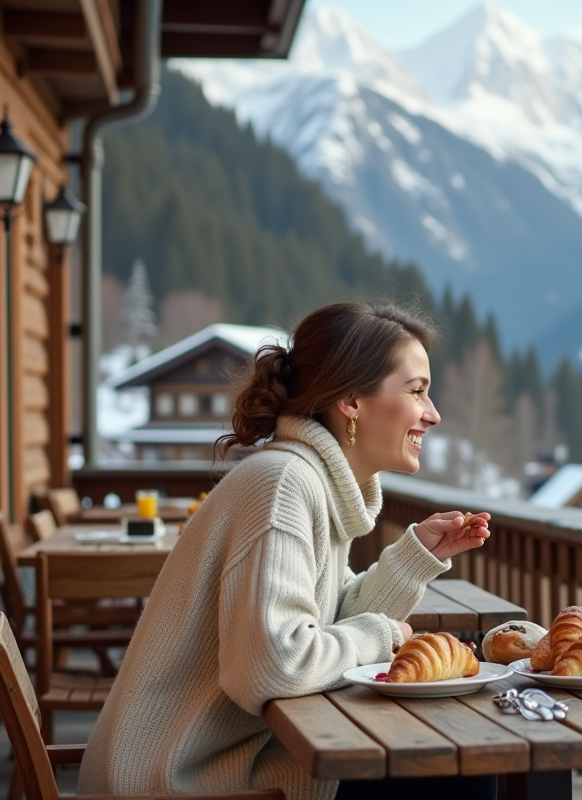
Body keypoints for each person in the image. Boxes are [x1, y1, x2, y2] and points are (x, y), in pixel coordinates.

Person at [79, 301, 496, 800]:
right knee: (460, 773)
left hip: (217, 762)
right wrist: (384, 635)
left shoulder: (308, 480)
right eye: (416, 391)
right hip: (180, 778)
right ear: (352, 402)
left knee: (457, 767)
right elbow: (275, 666)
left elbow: (325, 623)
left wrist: (413, 559)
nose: (433, 413)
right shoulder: (284, 485)